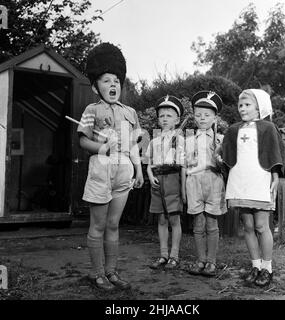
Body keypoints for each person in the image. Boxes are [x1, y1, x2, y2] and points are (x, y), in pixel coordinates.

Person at [77, 42, 144, 291]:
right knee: (98, 225)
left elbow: (135, 145)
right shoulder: (90, 110)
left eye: (116, 80)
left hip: (124, 170)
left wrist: (138, 170)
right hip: (101, 169)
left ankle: (111, 271)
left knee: (114, 224)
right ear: (96, 86)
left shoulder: (131, 112)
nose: (112, 85)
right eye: (106, 80)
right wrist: (102, 148)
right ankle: (96, 274)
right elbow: (83, 140)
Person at [222, 89, 285, 287]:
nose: (242, 108)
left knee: (261, 226)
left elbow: (274, 153)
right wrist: (218, 155)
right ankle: (255, 266)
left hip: (260, 179)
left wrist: (275, 175)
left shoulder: (268, 127)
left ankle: (267, 268)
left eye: (247, 105)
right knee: (248, 226)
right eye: (240, 105)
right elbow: (226, 153)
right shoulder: (233, 129)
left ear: (259, 107)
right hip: (240, 180)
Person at [182, 91, 227, 277]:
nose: (202, 118)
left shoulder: (221, 140)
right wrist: (183, 189)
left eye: (207, 115)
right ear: (194, 115)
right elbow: (184, 166)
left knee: (212, 223)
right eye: (198, 114)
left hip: (214, 182)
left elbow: (226, 165)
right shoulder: (188, 140)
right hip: (194, 183)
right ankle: (200, 260)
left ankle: (211, 262)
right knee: (198, 224)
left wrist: (218, 156)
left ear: (215, 117)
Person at [146, 95, 184, 270]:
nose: (165, 119)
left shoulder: (180, 140)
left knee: (174, 219)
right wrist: (150, 174)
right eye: (162, 116)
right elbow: (149, 163)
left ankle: (174, 256)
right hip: (157, 181)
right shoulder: (153, 141)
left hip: (172, 180)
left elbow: (183, 165)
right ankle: (163, 254)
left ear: (177, 120)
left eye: (169, 115)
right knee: (161, 219)